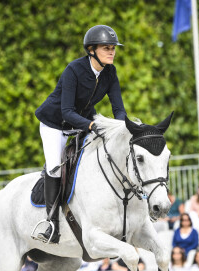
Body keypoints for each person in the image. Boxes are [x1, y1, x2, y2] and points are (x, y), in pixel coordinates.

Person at [35, 25, 126, 243]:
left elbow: (118, 108)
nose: (112, 52)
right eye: (107, 48)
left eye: (113, 48)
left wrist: (123, 128)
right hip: (54, 124)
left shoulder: (110, 72)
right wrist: (92, 126)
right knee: (55, 167)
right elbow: (66, 111)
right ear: (92, 50)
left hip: (82, 122)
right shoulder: (74, 70)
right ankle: (51, 223)